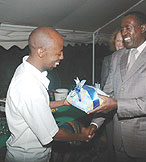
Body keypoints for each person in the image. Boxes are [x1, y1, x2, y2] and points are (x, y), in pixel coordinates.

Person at [88, 11, 146, 162]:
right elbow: (108, 94)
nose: (124, 33)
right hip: (119, 141)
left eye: (128, 28)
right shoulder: (117, 57)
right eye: (122, 29)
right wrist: (95, 123)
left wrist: (117, 104)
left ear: (143, 28)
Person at [5, 26, 91, 162]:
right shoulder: (29, 85)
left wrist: (64, 102)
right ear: (41, 52)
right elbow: (53, 135)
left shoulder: (25, 69)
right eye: (58, 53)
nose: (62, 57)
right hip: (28, 157)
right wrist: (81, 136)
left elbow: (39, 106)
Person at [100, 29, 124, 162]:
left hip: (128, 107)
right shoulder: (108, 60)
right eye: (117, 41)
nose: (120, 44)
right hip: (111, 106)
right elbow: (105, 83)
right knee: (112, 141)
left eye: (122, 41)